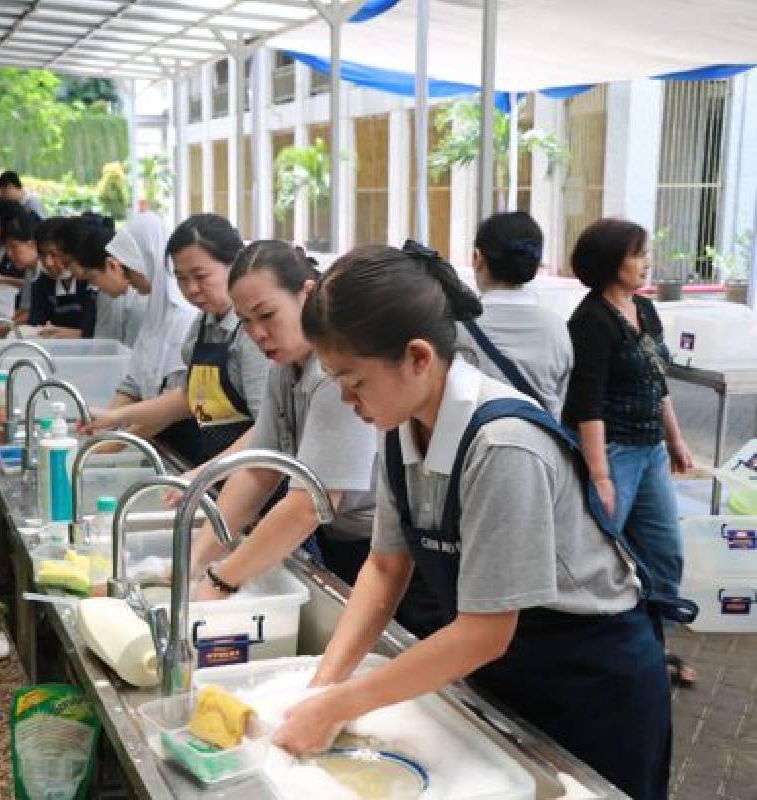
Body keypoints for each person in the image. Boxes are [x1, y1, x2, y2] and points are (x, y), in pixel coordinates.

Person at [273, 241, 672, 800]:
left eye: (354, 380)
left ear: (418, 357)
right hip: (507, 672)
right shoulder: (400, 428)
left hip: (589, 682)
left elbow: (486, 631)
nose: (345, 399)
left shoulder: (503, 444)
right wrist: (323, 687)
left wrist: (344, 703)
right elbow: (386, 568)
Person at [189, 241, 379, 591]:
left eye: (267, 315)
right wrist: (194, 561)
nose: (257, 334)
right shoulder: (285, 367)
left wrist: (221, 579)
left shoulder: (335, 373)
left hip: (381, 545)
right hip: (340, 535)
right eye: (245, 321)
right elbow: (258, 473)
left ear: (307, 295)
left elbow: (308, 505)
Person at [563, 217, 698, 688]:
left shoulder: (646, 310)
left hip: (651, 452)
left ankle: (651, 652)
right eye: (636, 254)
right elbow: (587, 402)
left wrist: (676, 439)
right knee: (600, 556)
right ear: (609, 262)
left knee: (664, 553)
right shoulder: (590, 321)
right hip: (612, 452)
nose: (645, 263)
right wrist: (600, 476)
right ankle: (594, 652)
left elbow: (657, 382)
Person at [82, 214, 270, 463]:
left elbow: (266, 433)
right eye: (181, 278)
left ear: (235, 265)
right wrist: (114, 417)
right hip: (217, 470)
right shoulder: (201, 326)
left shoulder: (253, 336)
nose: (191, 288)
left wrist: (200, 476)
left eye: (201, 276)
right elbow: (189, 397)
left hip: (254, 478)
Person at [90, 212, 201, 462]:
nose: (127, 281)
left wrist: (109, 446)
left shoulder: (186, 317)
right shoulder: (154, 312)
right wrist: (103, 425)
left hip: (182, 445)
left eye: (129, 271)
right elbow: (133, 383)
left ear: (147, 261)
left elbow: (172, 405)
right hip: (154, 439)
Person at [455, 211, 573, 416]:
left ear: (478, 258)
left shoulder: (455, 328)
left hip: (477, 443)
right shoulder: (558, 328)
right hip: (542, 443)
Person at [58, 214, 144, 347]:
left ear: (112, 265)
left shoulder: (134, 299)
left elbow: (106, 347)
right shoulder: (128, 294)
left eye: (92, 278)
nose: (95, 286)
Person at [9, 216, 97, 338]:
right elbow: (37, 324)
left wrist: (64, 333)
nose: (48, 262)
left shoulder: (92, 283)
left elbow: (96, 333)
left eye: (54, 254)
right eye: (43, 255)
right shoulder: (41, 282)